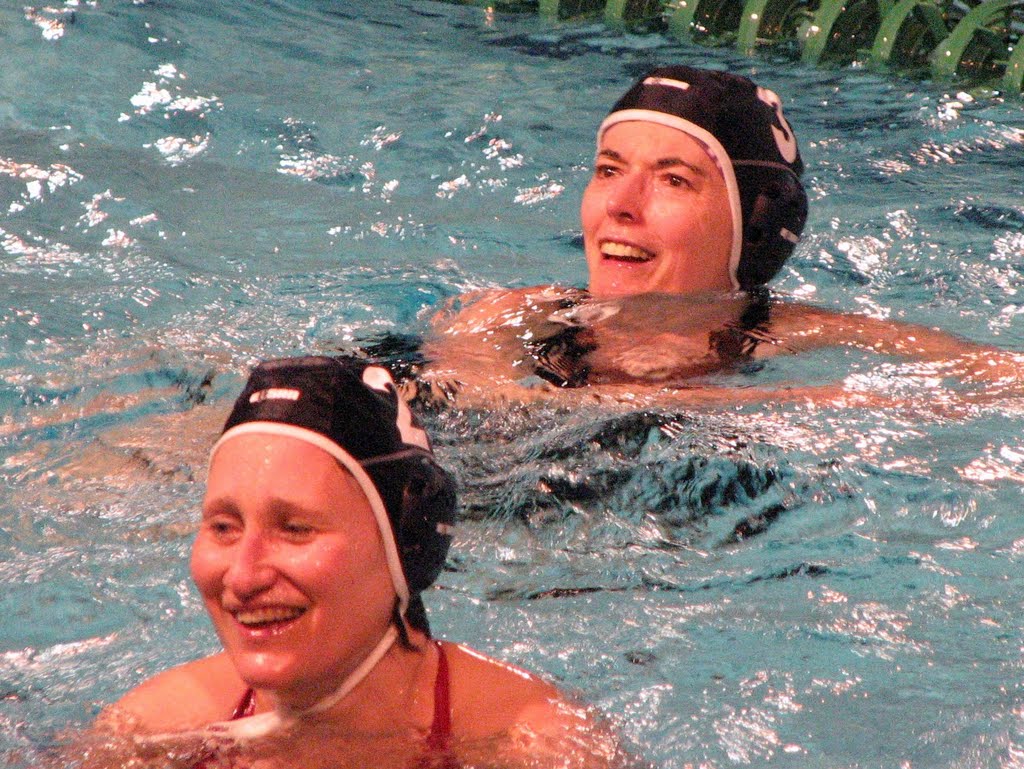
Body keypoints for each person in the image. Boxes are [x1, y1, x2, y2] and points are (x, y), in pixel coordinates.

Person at [83, 356, 618, 769]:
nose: (243, 576)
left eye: (295, 529)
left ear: (406, 545)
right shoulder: (147, 737)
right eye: (224, 527)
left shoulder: (532, 747)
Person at [411, 65, 1022, 409]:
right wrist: (799, 401)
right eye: (609, 170)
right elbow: (477, 404)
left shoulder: (806, 335)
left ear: (753, 224)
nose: (619, 206)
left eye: (673, 180)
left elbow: (1000, 380)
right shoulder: (510, 319)